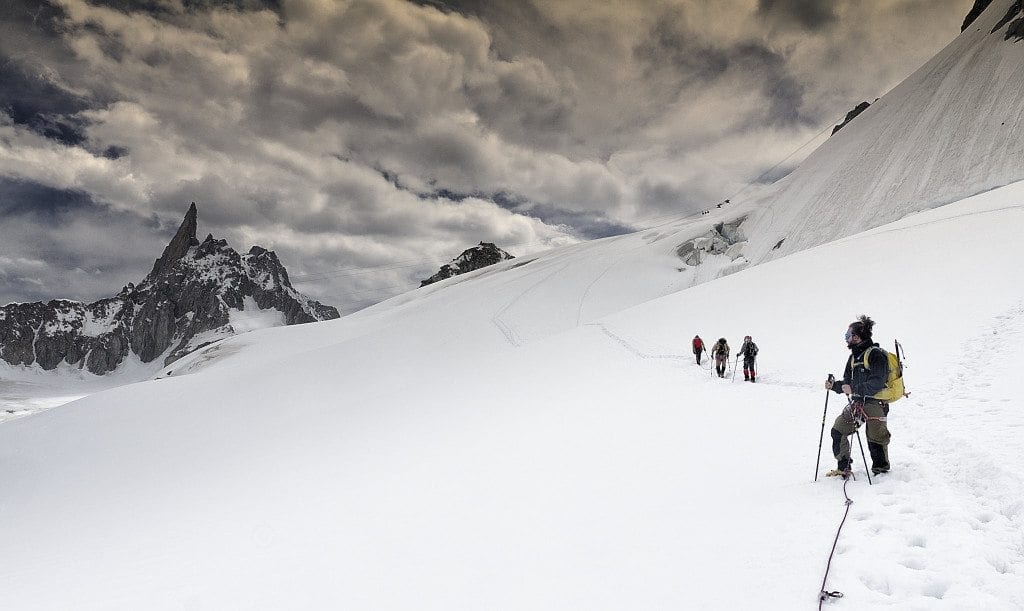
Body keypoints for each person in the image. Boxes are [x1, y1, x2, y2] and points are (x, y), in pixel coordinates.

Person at [824, 315, 892, 478]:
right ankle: (843, 466)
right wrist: (835, 386)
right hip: (858, 403)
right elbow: (848, 382)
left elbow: (877, 382)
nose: (847, 339)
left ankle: (881, 470)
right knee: (838, 430)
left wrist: (853, 387)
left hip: (876, 403)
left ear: (857, 336)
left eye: (848, 335)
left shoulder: (876, 354)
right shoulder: (854, 358)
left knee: (875, 437)